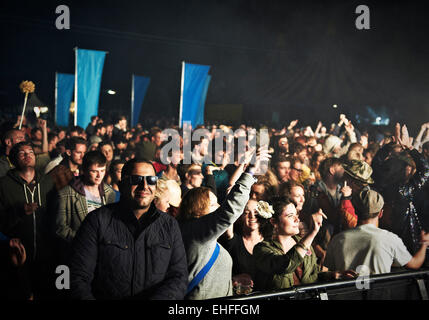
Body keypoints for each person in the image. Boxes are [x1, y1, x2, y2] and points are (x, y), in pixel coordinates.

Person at [69, 159, 188, 299]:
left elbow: (178, 277)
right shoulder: (97, 221)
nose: (144, 186)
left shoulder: (169, 225)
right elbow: (78, 277)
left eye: (151, 180)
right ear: (121, 184)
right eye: (136, 179)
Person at [178, 148, 269, 299]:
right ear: (198, 209)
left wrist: (232, 281)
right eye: (214, 204)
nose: (219, 207)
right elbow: (230, 211)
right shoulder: (196, 231)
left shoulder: (203, 235)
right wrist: (250, 173)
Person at [253, 197, 356, 291]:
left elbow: (313, 275)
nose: (297, 219)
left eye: (296, 214)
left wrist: (333, 275)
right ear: (273, 222)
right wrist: (312, 233)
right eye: (290, 216)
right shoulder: (261, 249)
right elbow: (285, 265)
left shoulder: (303, 242)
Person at [324, 189, 429, 274]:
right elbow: (415, 264)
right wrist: (424, 243)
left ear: (355, 211)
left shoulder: (338, 239)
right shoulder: (389, 239)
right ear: (380, 213)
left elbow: (328, 270)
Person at [0, 142, 56, 299]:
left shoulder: (47, 182)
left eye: (31, 152)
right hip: (17, 255)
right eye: (22, 153)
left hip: (46, 254)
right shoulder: (4, 185)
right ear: (13, 159)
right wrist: (19, 212)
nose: (28, 155)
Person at [55, 150, 116, 245]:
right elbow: (60, 229)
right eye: (94, 171)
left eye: (102, 171)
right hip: (78, 250)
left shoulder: (109, 193)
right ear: (84, 170)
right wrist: (85, 240)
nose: (99, 176)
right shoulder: (66, 194)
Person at [221, 199, 268, 294]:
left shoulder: (269, 240)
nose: (252, 216)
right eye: (246, 212)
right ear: (240, 216)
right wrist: (234, 279)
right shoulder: (234, 241)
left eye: (256, 212)